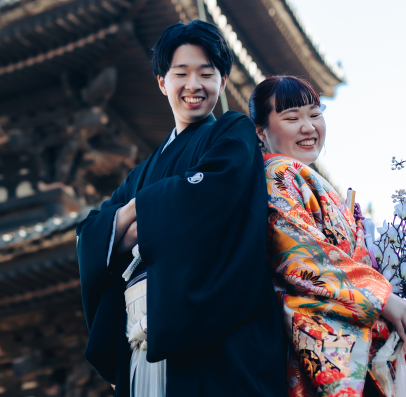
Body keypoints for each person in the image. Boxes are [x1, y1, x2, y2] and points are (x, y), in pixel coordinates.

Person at [76, 20, 287, 397]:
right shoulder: (141, 172)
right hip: (142, 331)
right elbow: (92, 233)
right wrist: (144, 210)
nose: (194, 85)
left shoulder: (232, 132)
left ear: (222, 82)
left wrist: (136, 212)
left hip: (217, 333)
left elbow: (208, 202)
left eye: (207, 74)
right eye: (181, 73)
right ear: (162, 83)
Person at [248, 76, 406, 397]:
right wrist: (384, 299)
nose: (308, 127)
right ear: (261, 131)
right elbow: (302, 259)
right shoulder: (276, 174)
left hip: (354, 335)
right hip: (321, 341)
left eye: (315, 114)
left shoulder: (310, 181)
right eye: (292, 118)